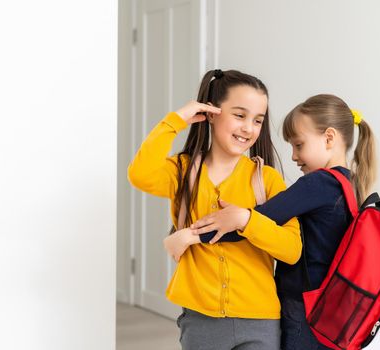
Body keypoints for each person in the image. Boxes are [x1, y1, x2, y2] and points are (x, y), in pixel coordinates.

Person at [168, 94, 377, 349]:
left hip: (303, 306)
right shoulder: (350, 184)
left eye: (299, 145)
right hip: (330, 308)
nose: (293, 156)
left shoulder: (318, 183)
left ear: (329, 138)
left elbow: (258, 219)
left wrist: (191, 237)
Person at [128, 69, 302, 350]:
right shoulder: (183, 171)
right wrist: (175, 121)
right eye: (239, 115)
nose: (249, 128)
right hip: (200, 320)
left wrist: (246, 219)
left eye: (257, 120)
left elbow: (292, 249)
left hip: (260, 320)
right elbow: (140, 174)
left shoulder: (267, 179)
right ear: (211, 113)